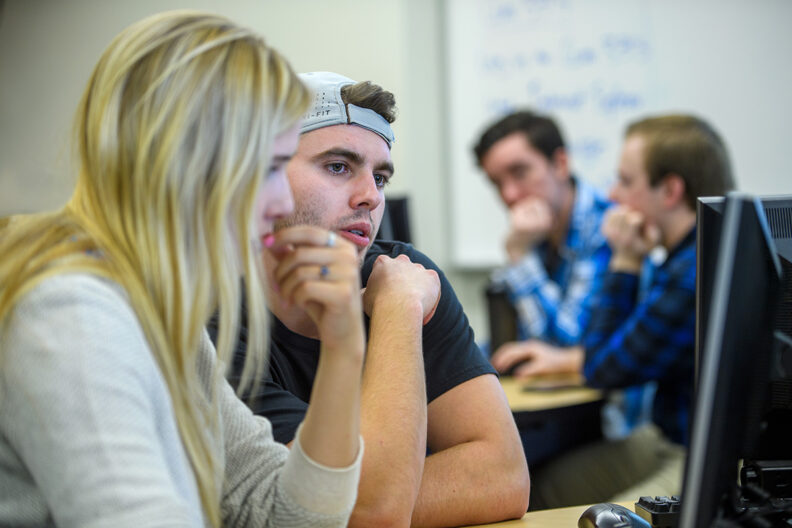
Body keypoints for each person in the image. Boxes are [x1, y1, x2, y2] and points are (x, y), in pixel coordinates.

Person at [0, 12, 367, 527]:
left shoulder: (158, 310)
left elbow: (285, 515)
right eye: (266, 169)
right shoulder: (72, 313)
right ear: (182, 159)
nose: (281, 201)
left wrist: (344, 349)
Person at [213, 71, 531, 527]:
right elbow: (362, 514)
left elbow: (504, 476)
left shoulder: (403, 274)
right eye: (338, 166)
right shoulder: (212, 318)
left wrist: (361, 501)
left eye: (380, 177)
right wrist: (398, 312)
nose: (370, 197)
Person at [496, 114, 735, 509]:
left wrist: (625, 260)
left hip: (704, 458)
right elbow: (609, 354)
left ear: (671, 190)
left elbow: (604, 368)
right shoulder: (682, 259)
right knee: (538, 488)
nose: (613, 193)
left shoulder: (693, 273)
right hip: (665, 438)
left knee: (600, 520)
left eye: (625, 181)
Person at [473, 110, 611, 372]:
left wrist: (519, 255)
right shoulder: (536, 231)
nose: (509, 195)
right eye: (496, 183)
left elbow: (564, 346)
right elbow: (521, 337)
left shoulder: (604, 227)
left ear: (560, 163)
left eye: (520, 172)